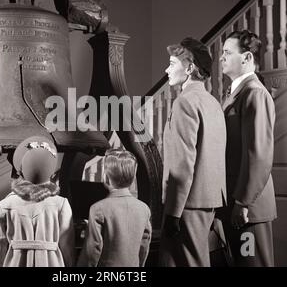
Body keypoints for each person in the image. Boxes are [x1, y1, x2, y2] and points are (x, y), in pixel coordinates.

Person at [159, 37, 227, 267]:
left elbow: (183, 164)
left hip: (187, 204)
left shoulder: (185, 103)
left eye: (172, 63)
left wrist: (173, 212)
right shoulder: (212, 102)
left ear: (189, 68)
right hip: (207, 200)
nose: (166, 69)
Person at [219, 30, 276, 266]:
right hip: (235, 201)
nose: (221, 58)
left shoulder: (254, 93)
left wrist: (242, 202)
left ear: (247, 58)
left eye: (227, 53)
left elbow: (259, 155)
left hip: (248, 207)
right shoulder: (235, 93)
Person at [0, 136, 75, 267]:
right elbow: (67, 248)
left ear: (21, 171)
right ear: (51, 172)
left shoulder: (3, 206)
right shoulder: (61, 204)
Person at [77, 149, 152, 267]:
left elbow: (93, 250)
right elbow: (144, 245)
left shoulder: (98, 209)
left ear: (106, 178)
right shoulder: (144, 209)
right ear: (133, 178)